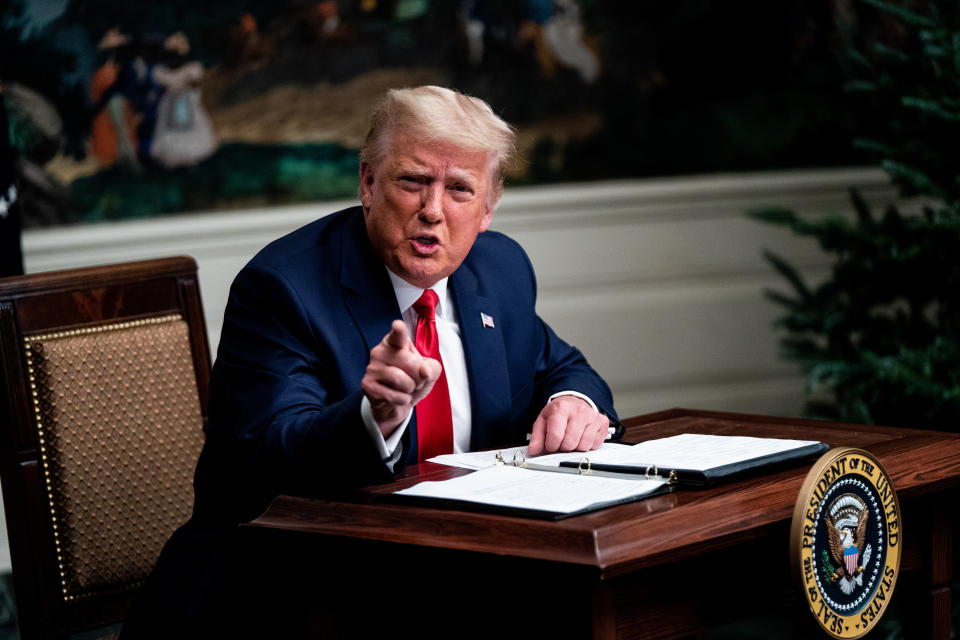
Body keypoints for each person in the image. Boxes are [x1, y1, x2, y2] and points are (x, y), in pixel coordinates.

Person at [121, 85, 620, 638]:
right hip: (289, 593)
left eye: (459, 188)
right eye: (413, 181)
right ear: (367, 182)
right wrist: (374, 417)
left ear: (487, 209)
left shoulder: (498, 270)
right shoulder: (284, 288)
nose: (433, 210)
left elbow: (560, 365)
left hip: (459, 580)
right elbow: (263, 459)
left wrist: (571, 401)